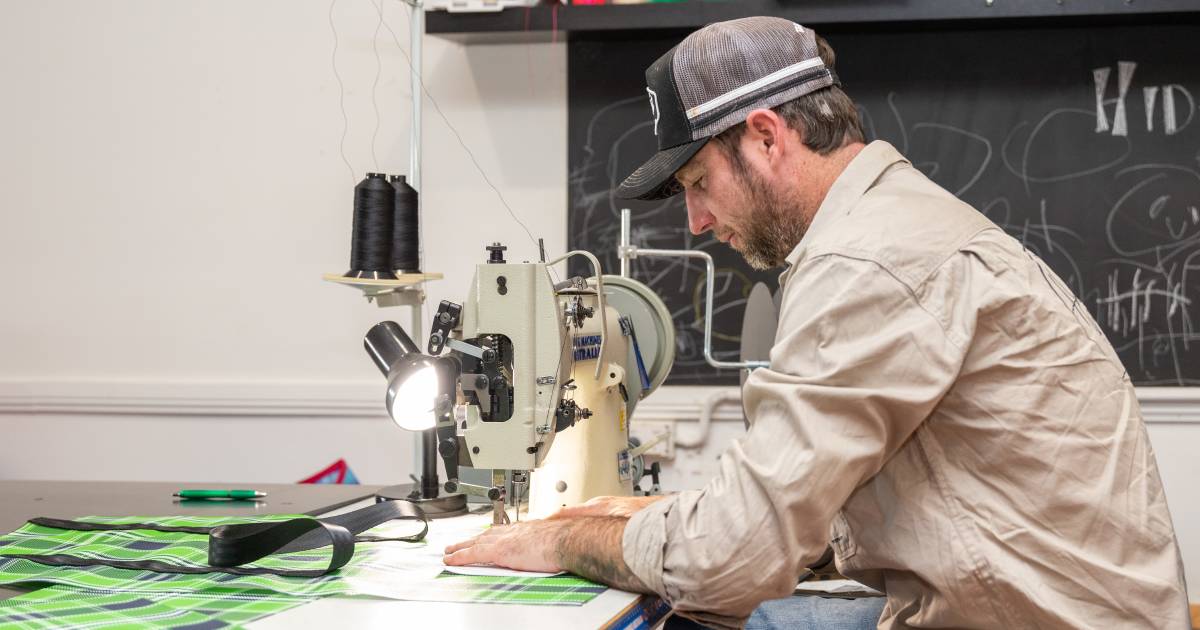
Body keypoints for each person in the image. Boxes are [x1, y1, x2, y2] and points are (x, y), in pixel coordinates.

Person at [444, 16, 1190, 629]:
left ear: (768, 136)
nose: (698, 221)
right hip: (1030, 603)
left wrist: (565, 537)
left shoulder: (866, 263)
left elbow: (729, 562)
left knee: (703, 615)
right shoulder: (897, 222)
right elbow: (918, 505)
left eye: (700, 182)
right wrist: (670, 514)